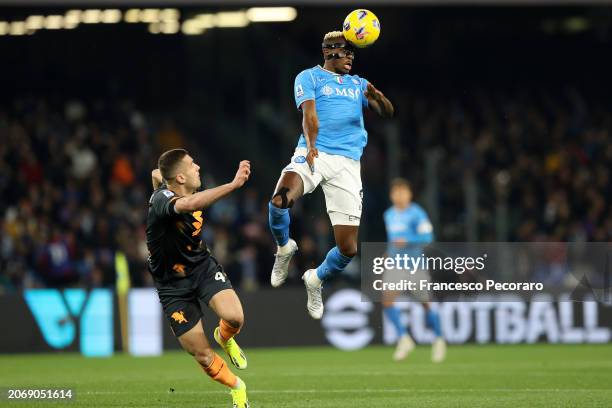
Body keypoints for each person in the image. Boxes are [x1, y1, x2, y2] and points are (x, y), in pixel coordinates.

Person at [268, 31, 394, 319]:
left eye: (353, 52)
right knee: (280, 199)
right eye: (345, 52)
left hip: (348, 164)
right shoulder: (309, 77)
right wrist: (311, 146)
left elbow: (387, 112)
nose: (351, 57)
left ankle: (316, 279)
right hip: (315, 153)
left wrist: (377, 97)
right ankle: (284, 247)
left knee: (348, 248)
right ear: (329, 52)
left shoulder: (359, 84)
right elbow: (309, 115)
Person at [146, 149, 251, 407]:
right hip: (172, 286)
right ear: (180, 178)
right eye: (192, 165)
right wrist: (234, 184)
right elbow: (190, 204)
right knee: (202, 355)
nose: (198, 167)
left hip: (200, 266)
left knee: (235, 317)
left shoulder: (169, 183)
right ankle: (238, 387)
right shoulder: (162, 201)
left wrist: (162, 176)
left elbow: (156, 172)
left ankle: (224, 337)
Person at [382, 178, 446, 362]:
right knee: (387, 300)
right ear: (391, 195)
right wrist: (388, 253)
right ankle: (404, 338)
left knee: (425, 303)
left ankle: (439, 339)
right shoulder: (389, 214)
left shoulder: (417, 213)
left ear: (409, 194)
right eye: (396, 192)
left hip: (415, 266)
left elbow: (428, 237)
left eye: (403, 192)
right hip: (396, 264)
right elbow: (393, 240)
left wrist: (408, 240)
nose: (399, 196)